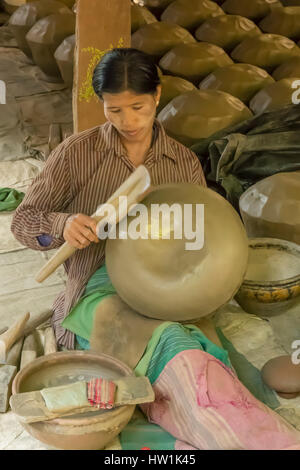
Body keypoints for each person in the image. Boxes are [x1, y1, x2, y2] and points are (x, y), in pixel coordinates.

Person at [11, 49, 300, 450]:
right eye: (114, 110)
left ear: (158, 96)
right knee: (170, 344)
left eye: (138, 107)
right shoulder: (78, 153)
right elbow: (24, 221)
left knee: (198, 345)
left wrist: (205, 260)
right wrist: (63, 225)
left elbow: (201, 236)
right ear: (102, 105)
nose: (128, 121)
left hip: (172, 287)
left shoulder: (181, 163)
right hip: (100, 286)